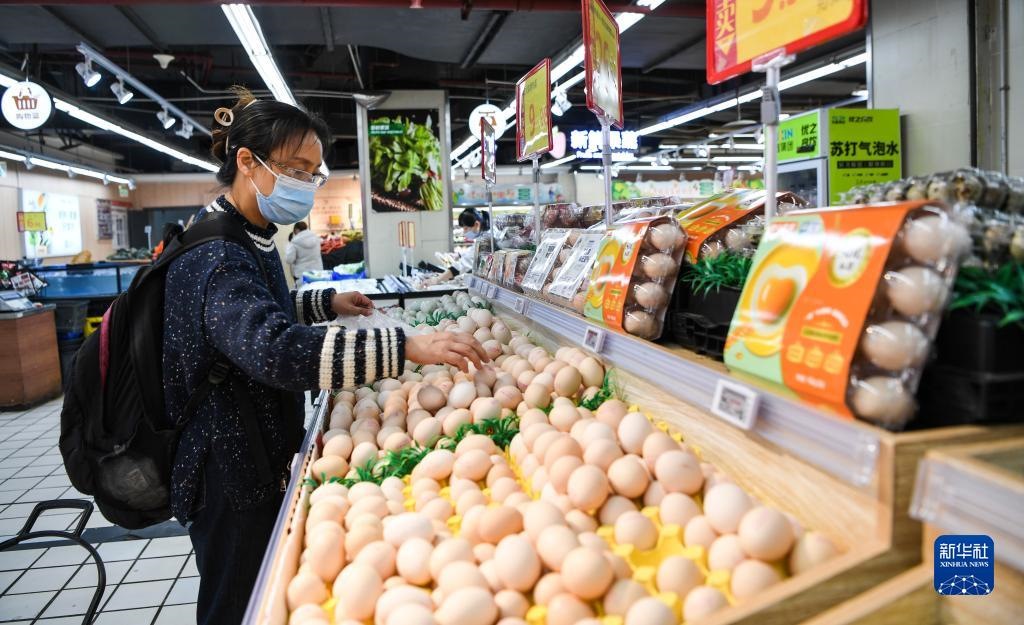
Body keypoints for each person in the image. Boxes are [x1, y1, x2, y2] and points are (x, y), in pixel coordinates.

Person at [162, 88, 488, 625]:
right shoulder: (217, 252)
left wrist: (324, 302)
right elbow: (270, 348)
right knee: (238, 599)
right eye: (296, 169)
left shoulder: (248, 234)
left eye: (313, 173)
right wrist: (403, 346)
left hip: (251, 448)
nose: (307, 184)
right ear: (247, 162)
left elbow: (256, 312)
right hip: (227, 464)